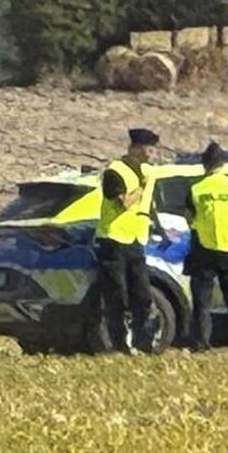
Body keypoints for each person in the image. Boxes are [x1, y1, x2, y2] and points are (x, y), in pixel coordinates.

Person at [95, 128, 162, 354]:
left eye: (154, 148)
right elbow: (122, 202)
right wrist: (141, 188)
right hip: (113, 240)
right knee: (117, 297)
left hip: (135, 241)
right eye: (149, 148)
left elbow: (149, 206)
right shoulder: (116, 171)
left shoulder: (148, 172)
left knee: (142, 295)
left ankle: (144, 344)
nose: (153, 153)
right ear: (134, 148)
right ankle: (119, 345)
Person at [185, 142, 228, 353]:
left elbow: (189, 217)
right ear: (223, 163)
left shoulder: (196, 188)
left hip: (204, 248)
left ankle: (200, 343)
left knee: (202, 301)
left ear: (205, 165)